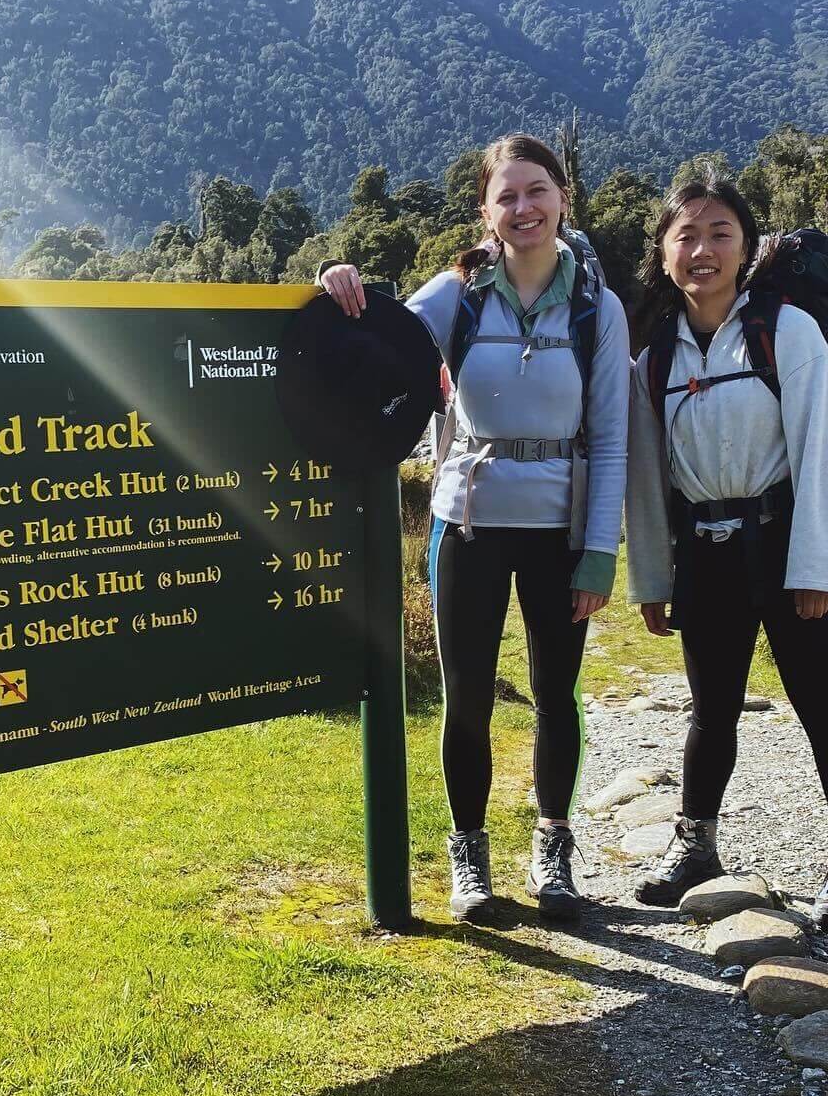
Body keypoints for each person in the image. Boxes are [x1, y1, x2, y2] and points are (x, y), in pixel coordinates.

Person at [321, 134, 629, 922]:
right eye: (507, 197)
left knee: (557, 695)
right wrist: (340, 282)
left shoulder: (598, 305)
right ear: (486, 212)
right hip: (469, 524)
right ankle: (470, 860)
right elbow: (381, 330)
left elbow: (614, 434)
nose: (523, 208)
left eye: (537, 191)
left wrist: (599, 554)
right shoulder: (461, 291)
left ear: (563, 198)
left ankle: (553, 853)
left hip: (559, 531)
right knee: (467, 700)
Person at [625, 177, 828, 921]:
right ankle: (695, 845)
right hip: (706, 551)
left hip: (784, 544)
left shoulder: (789, 332)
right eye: (686, 235)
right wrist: (651, 576)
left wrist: (816, 567)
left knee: (820, 703)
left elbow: (819, 456)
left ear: (746, 247)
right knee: (711, 711)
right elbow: (647, 483)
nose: (702, 249)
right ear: (664, 251)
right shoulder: (654, 361)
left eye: (720, 233)